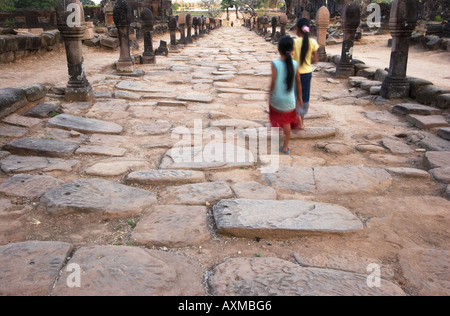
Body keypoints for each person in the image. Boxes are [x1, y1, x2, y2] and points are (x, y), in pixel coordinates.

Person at [269, 36, 303, 155]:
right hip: (289, 100)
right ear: (292, 49)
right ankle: (285, 147)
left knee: (277, 118)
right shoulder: (295, 64)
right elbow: (298, 82)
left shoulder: (275, 63)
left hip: (277, 99)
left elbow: (273, 82)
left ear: (278, 49)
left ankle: (275, 139)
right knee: (287, 122)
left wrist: (269, 93)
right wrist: (299, 97)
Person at [293, 18, 319, 130]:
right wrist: (307, 61)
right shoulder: (312, 42)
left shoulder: (294, 42)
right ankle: (301, 123)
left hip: (295, 73)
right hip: (307, 73)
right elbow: (316, 59)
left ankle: (293, 120)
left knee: (294, 96)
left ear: (298, 29)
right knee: (304, 97)